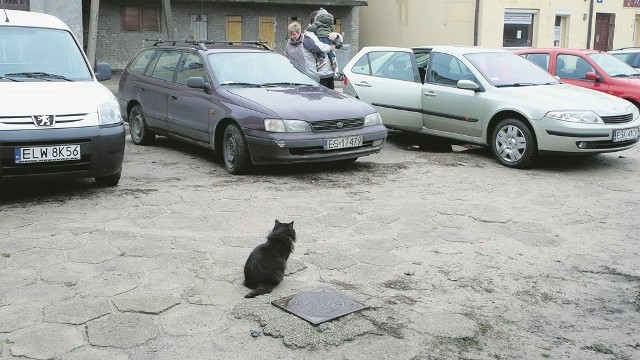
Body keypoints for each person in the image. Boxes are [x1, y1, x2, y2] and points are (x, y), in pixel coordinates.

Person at [302, 9, 343, 89]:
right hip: (317, 77)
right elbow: (316, 47)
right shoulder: (308, 35)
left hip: (329, 74)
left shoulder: (324, 32)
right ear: (315, 21)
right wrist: (330, 47)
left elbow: (339, 45)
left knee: (330, 100)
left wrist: (337, 36)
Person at [306, 8, 337, 72]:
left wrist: (307, 29)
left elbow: (318, 47)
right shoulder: (330, 23)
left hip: (321, 37)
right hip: (329, 37)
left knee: (320, 51)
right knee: (330, 51)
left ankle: (321, 59)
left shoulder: (316, 23)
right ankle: (332, 59)